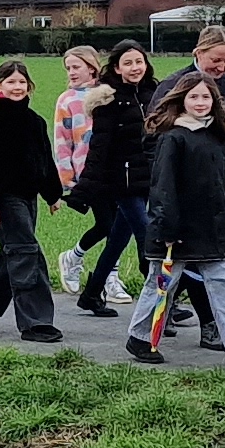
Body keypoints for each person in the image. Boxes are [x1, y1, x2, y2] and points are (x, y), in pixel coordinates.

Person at [134, 68, 225, 369]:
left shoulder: (217, 137)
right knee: (161, 284)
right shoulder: (173, 139)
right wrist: (166, 227)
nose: (200, 102)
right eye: (193, 96)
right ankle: (140, 337)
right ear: (181, 100)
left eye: (206, 96)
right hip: (176, 228)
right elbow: (163, 188)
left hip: (211, 228)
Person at [0, 56, 66, 342]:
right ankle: (36, 323)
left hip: (28, 197)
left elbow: (44, 159)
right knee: (27, 254)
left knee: (15, 254)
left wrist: (52, 193)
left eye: (22, 82)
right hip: (4, 199)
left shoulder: (35, 121)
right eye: (11, 82)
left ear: (29, 86)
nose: (17, 87)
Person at [69, 36, 157, 318]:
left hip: (148, 178)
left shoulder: (154, 93)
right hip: (121, 181)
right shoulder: (107, 99)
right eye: (127, 63)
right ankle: (160, 303)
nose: (135, 67)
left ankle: (92, 293)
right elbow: (98, 147)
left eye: (139, 61)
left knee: (118, 238)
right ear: (117, 68)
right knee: (148, 237)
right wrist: (83, 189)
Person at [48, 45, 102, 293]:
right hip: (86, 172)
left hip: (112, 169)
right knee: (109, 224)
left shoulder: (107, 93)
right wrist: (66, 177)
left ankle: (106, 275)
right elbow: (62, 140)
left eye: (76, 67)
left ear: (91, 67)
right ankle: (75, 257)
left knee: (118, 225)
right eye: (68, 68)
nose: (71, 72)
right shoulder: (66, 100)